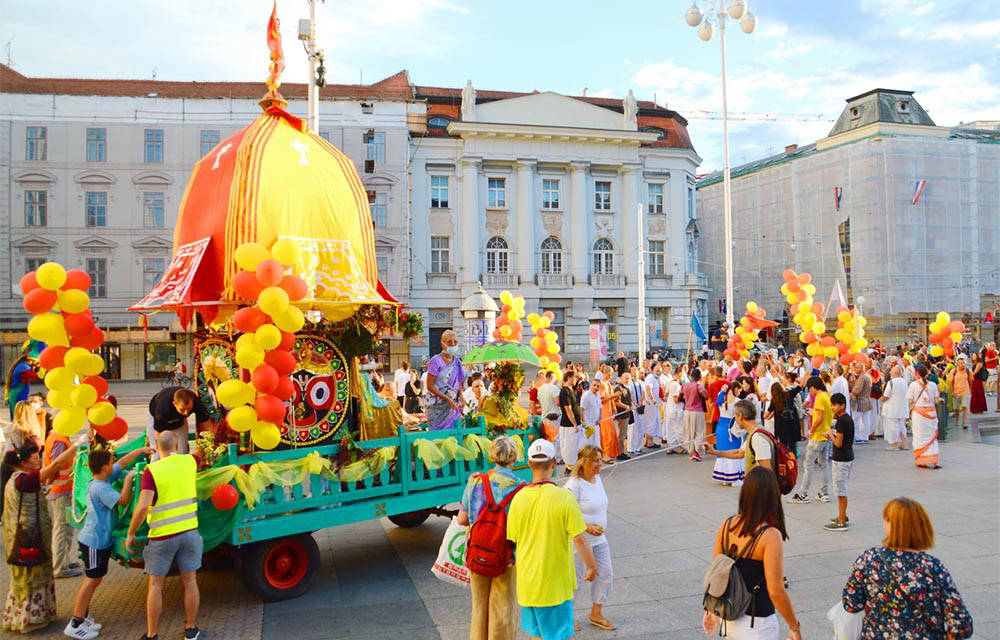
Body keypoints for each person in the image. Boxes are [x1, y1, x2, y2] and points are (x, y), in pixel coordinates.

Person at [842, 497, 973, 639]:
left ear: (891, 525)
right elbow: (961, 624)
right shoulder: (933, 567)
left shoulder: (870, 559)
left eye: (886, 519)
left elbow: (851, 603)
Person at [506, 439, 597, 640]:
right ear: (554, 463)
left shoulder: (518, 498)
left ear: (529, 464)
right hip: (554, 584)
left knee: (536, 634)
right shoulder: (564, 497)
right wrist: (591, 566)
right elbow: (579, 538)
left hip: (528, 583)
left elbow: (512, 539)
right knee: (561, 636)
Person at [702, 467, 802, 640]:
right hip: (758, 624)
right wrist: (794, 626)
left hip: (729, 618)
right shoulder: (770, 536)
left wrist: (710, 610)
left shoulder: (727, 525)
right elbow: (776, 590)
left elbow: (717, 574)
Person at [66, 444, 152, 639]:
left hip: (99, 541)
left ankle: (84, 616)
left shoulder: (102, 477)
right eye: (110, 463)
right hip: (94, 541)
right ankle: (76, 621)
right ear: (104, 467)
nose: (114, 464)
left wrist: (140, 451)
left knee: (95, 578)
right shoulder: (100, 488)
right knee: (91, 578)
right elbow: (122, 500)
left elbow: (121, 463)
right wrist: (130, 479)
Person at [2, 437, 85, 634]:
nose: (38, 460)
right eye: (34, 458)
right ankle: (29, 618)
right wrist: (77, 445)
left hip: (23, 537)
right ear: (23, 463)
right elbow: (56, 464)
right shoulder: (24, 480)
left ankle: (29, 616)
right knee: (31, 578)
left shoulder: (17, 479)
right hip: (29, 538)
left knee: (29, 577)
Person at [126, 431, 203, 640]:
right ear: (176, 445)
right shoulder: (189, 462)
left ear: (156, 447)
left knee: (155, 585)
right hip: (189, 532)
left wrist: (131, 533)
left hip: (162, 537)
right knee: (190, 581)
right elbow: (200, 454)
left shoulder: (153, 470)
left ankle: (152, 634)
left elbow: (142, 507)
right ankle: (191, 629)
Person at [457, 436, 525, 640]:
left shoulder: (475, 480)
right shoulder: (521, 488)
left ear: (492, 455)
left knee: (479, 607)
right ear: (513, 457)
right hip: (506, 557)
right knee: (503, 608)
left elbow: (462, 519)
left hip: (477, 553)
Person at [565, 445, 615, 631]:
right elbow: (566, 513)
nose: (599, 464)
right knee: (575, 580)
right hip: (578, 540)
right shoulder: (573, 485)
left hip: (599, 539)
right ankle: (567, 615)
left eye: (600, 460)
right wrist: (586, 526)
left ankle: (596, 612)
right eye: (596, 461)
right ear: (584, 462)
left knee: (606, 573)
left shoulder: (597, 479)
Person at [43, 419, 82, 578]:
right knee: (61, 530)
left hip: (60, 489)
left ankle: (63, 560)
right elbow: (57, 464)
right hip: (60, 490)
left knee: (65, 529)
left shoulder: (57, 437)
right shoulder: (59, 440)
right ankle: (59, 567)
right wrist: (76, 446)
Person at [787, 377, 832, 505]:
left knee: (808, 465)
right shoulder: (827, 396)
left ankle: (803, 494)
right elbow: (825, 414)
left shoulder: (819, 397)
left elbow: (820, 418)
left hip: (817, 435)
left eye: (810, 388)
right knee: (824, 464)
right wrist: (813, 413)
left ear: (813, 387)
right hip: (826, 435)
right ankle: (824, 492)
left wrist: (811, 430)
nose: (810, 391)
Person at [147, 387, 212, 458]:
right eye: (182, 409)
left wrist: (211, 437)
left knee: (182, 451)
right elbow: (158, 434)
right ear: (174, 404)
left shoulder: (196, 403)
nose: (186, 413)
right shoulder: (163, 410)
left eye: (189, 409)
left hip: (180, 421)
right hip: (158, 419)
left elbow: (206, 423)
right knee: (157, 454)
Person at [824, 393, 854, 532]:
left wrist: (830, 434)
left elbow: (838, 443)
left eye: (835, 405)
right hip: (847, 457)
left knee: (841, 491)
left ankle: (842, 521)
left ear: (842, 405)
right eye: (832, 404)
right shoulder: (846, 419)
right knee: (841, 489)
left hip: (841, 458)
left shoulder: (842, 421)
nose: (832, 407)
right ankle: (842, 516)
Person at [426, 330, 465, 430]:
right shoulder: (435, 361)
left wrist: (461, 396)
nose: (453, 344)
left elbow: (459, 383)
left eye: (455, 342)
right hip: (437, 407)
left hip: (453, 407)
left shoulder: (457, 362)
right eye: (449, 342)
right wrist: (447, 399)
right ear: (442, 344)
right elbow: (430, 386)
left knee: (455, 436)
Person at [908, 364, 941, 469]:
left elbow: (910, 400)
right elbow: (936, 400)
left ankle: (923, 460)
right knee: (932, 437)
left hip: (919, 413)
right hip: (931, 412)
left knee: (920, 436)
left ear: (916, 373)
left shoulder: (913, 385)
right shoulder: (933, 385)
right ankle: (935, 460)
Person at [711, 383, 742, 485]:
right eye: (739, 390)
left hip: (720, 428)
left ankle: (725, 478)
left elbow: (716, 403)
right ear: (736, 389)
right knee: (733, 452)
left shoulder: (721, 396)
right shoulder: (738, 401)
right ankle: (733, 478)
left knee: (722, 452)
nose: (740, 392)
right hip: (731, 429)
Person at [767, 383, 800, 460]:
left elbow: (766, 415)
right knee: (792, 446)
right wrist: (807, 374)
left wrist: (771, 414)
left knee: (783, 446)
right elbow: (799, 387)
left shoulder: (774, 400)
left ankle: (785, 462)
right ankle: (794, 462)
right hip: (792, 424)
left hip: (781, 428)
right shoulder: (789, 395)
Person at [681, 368, 708, 461]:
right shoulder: (698, 386)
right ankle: (697, 451)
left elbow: (681, 396)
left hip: (687, 411)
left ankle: (691, 451)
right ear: (700, 377)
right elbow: (706, 396)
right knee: (699, 432)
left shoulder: (685, 385)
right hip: (697, 411)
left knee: (689, 432)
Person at [880, 365, 910, 450]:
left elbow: (886, 395)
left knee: (893, 427)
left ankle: (895, 445)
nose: (889, 373)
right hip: (902, 407)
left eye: (891, 371)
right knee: (902, 427)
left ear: (895, 373)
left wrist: (882, 399)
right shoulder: (904, 381)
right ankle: (905, 444)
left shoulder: (891, 382)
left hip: (892, 409)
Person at [558, 371, 583, 472]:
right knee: (569, 446)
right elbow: (568, 410)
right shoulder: (565, 392)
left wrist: (577, 375)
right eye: (574, 378)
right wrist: (574, 424)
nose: (576, 379)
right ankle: (569, 467)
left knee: (576, 446)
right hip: (569, 425)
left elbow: (581, 377)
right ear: (568, 378)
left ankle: (573, 465)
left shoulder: (571, 389)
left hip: (576, 422)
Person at [537, 372, 562, 451]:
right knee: (556, 438)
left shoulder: (540, 388)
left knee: (548, 437)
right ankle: (556, 457)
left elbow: (539, 401)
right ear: (552, 377)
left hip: (544, 416)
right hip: (554, 416)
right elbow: (557, 402)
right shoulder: (554, 388)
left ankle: (549, 454)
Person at [612, 373, 632, 461]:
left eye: (629, 378)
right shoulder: (618, 388)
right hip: (622, 414)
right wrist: (626, 407)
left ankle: (621, 451)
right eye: (626, 378)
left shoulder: (626, 387)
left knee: (624, 434)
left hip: (627, 414)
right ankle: (620, 452)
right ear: (621, 379)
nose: (628, 379)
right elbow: (616, 402)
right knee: (622, 435)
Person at [947, 357, 971, 429]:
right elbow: (951, 382)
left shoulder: (968, 371)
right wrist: (953, 391)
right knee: (956, 408)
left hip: (965, 391)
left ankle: (964, 422)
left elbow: (970, 381)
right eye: (961, 363)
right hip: (956, 392)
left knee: (965, 407)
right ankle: (957, 419)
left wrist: (970, 389)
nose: (963, 364)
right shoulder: (953, 371)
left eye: (964, 363)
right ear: (957, 364)